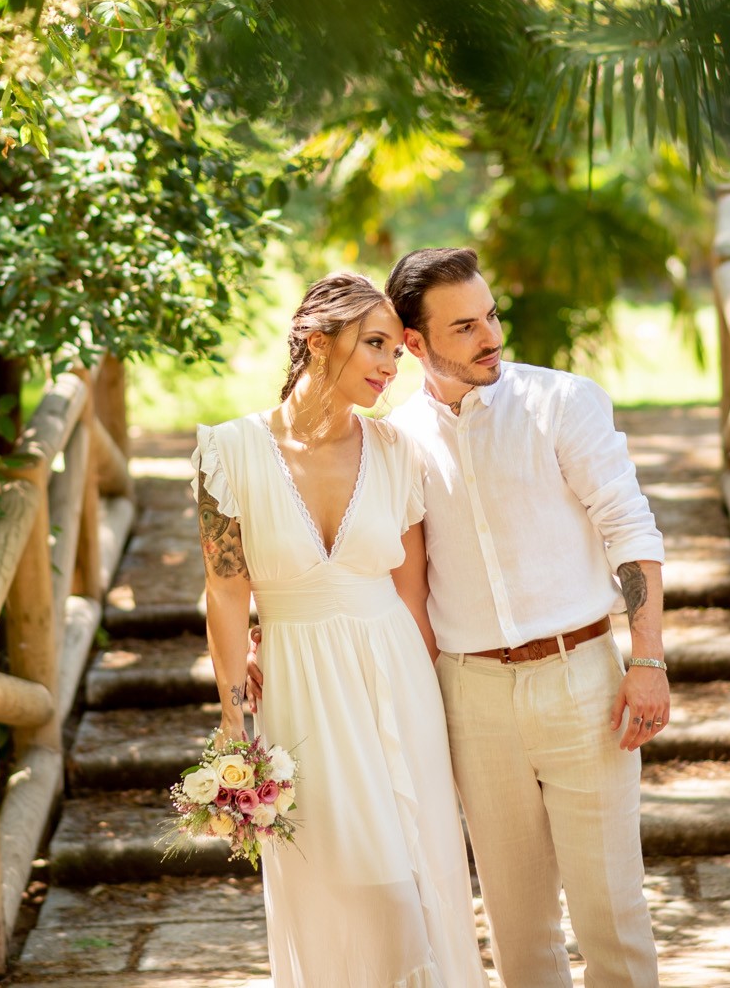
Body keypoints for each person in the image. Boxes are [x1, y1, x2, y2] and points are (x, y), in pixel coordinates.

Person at [385, 246, 670, 988]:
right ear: (414, 343)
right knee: (518, 930)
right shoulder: (395, 441)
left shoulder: (562, 403)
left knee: (611, 914)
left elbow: (630, 527)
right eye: (464, 327)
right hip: (471, 694)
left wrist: (647, 659)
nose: (491, 337)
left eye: (492, 315)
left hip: (583, 682)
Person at [193, 271, 485, 987]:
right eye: (375, 344)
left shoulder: (397, 451)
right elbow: (227, 595)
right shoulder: (227, 455)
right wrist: (235, 723)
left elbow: (414, 598)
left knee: (415, 878)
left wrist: (445, 710)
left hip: (396, 676)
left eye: (395, 348)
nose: (392, 364)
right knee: (344, 883)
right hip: (300, 690)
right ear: (317, 342)